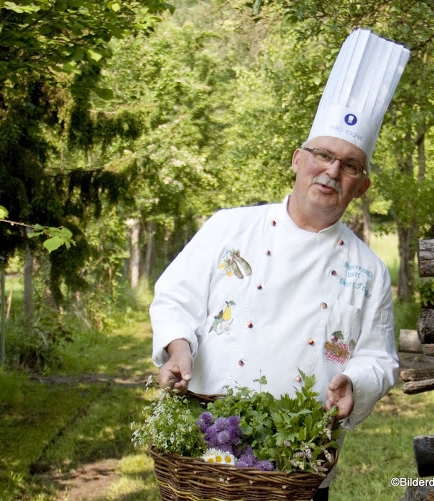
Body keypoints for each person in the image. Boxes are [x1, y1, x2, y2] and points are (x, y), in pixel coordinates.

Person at [150, 28, 410, 500]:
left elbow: (380, 357)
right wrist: (177, 348)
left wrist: (355, 381)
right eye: (323, 155)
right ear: (297, 160)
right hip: (206, 462)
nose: (332, 171)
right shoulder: (229, 228)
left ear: (361, 186)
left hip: (297, 469)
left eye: (349, 165)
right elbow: (175, 297)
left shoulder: (369, 270)